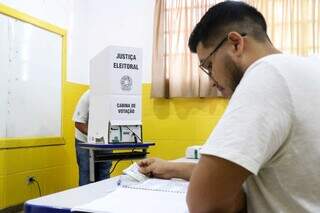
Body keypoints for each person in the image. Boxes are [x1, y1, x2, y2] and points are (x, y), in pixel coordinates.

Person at [138, 1, 320, 212]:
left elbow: (204, 202)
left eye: (208, 66)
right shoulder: (310, 68)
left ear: (235, 44)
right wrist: (172, 168)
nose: (211, 81)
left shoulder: (268, 72)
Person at [73, 90, 112, 186]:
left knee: (104, 173)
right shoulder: (87, 96)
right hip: (84, 141)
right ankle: (85, 199)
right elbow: (78, 124)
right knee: (86, 174)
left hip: (104, 141)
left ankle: (103, 199)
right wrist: (96, 136)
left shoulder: (113, 97)